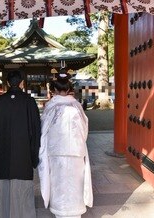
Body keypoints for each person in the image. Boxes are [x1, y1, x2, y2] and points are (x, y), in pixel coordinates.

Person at [0, 70, 41, 218]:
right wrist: (34, 155)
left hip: (2, 152)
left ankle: (2, 213)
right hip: (24, 153)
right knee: (22, 184)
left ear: (8, 83)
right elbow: (36, 130)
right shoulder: (29, 101)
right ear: (22, 82)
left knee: (3, 184)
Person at [38, 69, 93, 218]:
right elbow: (84, 129)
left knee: (59, 183)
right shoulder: (76, 106)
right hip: (75, 150)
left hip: (56, 152)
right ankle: (75, 213)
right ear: (69, 89)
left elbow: (43, 130)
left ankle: (60, 212)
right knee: (75, 182)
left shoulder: (51, 107)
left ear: (54, 89)